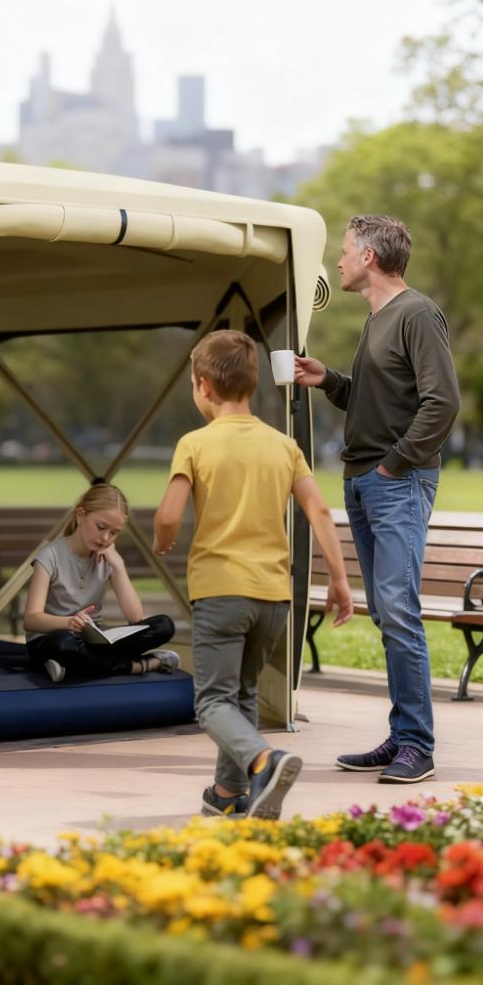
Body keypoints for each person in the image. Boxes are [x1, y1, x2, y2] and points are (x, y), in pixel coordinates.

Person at [155, 330, 353, 820]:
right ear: (254, 381)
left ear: (203, 386)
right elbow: (320, 512)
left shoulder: (195, 444)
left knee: (211, 703)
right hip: (273, 599)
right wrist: (341, 580)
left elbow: (168, 514)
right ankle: (228, 794)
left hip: (222, 592)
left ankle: (266, 759)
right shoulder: (283, 446)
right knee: (242, 695)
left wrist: (163, 538)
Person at [294, 215, 460, 785]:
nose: (338, 262)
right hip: (363, 482)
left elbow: (442, 404)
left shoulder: (416, 314)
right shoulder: (376, 321)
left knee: (398, 611)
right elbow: (378, 400)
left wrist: (394, 465)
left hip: (394, 482)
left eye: (344, 253)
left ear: (368, 258)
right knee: (388, 617)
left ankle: (418, 745)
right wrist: (331, 381)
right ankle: (402, 735)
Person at [23, 482, 178, 683]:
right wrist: (69, 623)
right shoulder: (50, 556)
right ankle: (139, 665)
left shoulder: (108, 557)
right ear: (80, 515)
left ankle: (72, 668)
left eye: (114, 533)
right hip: (53, 638)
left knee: (164, 625)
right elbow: (31, 620)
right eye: (101, 527)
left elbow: (135, 617)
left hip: (95, 640)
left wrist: (119, 566)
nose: (105, 538)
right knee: (64, 644)